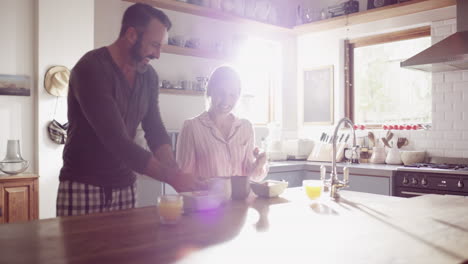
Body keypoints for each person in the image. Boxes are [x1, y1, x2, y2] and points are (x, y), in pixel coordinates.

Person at [56, 3, 200, 216]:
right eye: (154, 45)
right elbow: (116, 140)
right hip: (83, 184)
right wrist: (172, 178)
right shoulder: (91, 68)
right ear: (131, 35)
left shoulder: (149, 76)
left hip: (126, 185)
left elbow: (154, 127)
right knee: (79, 251)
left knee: (127, 251)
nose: (158, 54)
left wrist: (172, 168)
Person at [176, 66, 268, 183]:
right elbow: (184, 179)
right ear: (210, 91)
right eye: (221, 92)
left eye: (232, 95)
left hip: (240, 200)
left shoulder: (246, 127)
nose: (226, 100)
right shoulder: (191, 127)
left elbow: (251, 176)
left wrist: (259, 164)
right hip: (207, 201)